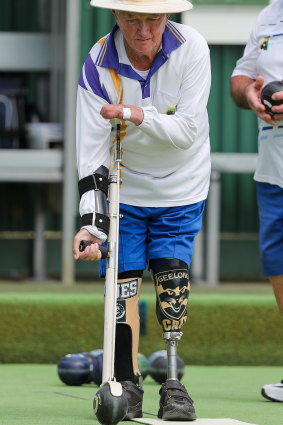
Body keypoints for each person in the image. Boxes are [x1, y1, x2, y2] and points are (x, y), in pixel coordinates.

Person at [73, 0, 211, 419]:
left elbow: (187, 130)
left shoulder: (193, 48)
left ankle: (172, 383)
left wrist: (134, 114)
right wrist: (91, 226)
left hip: (182, 183)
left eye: (153, 19)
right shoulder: (98, 63)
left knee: (171, 274)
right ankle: (125, 382)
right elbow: (90, 150)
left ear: (167, 17)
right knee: (123, 281)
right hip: (124, 187)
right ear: (116, 16)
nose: (144, 30)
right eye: (132, 19)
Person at [231, 0, 283, 403]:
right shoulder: (268, 14)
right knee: (279, 264)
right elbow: (241, 77)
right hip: (273, 169)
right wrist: (249, 93)